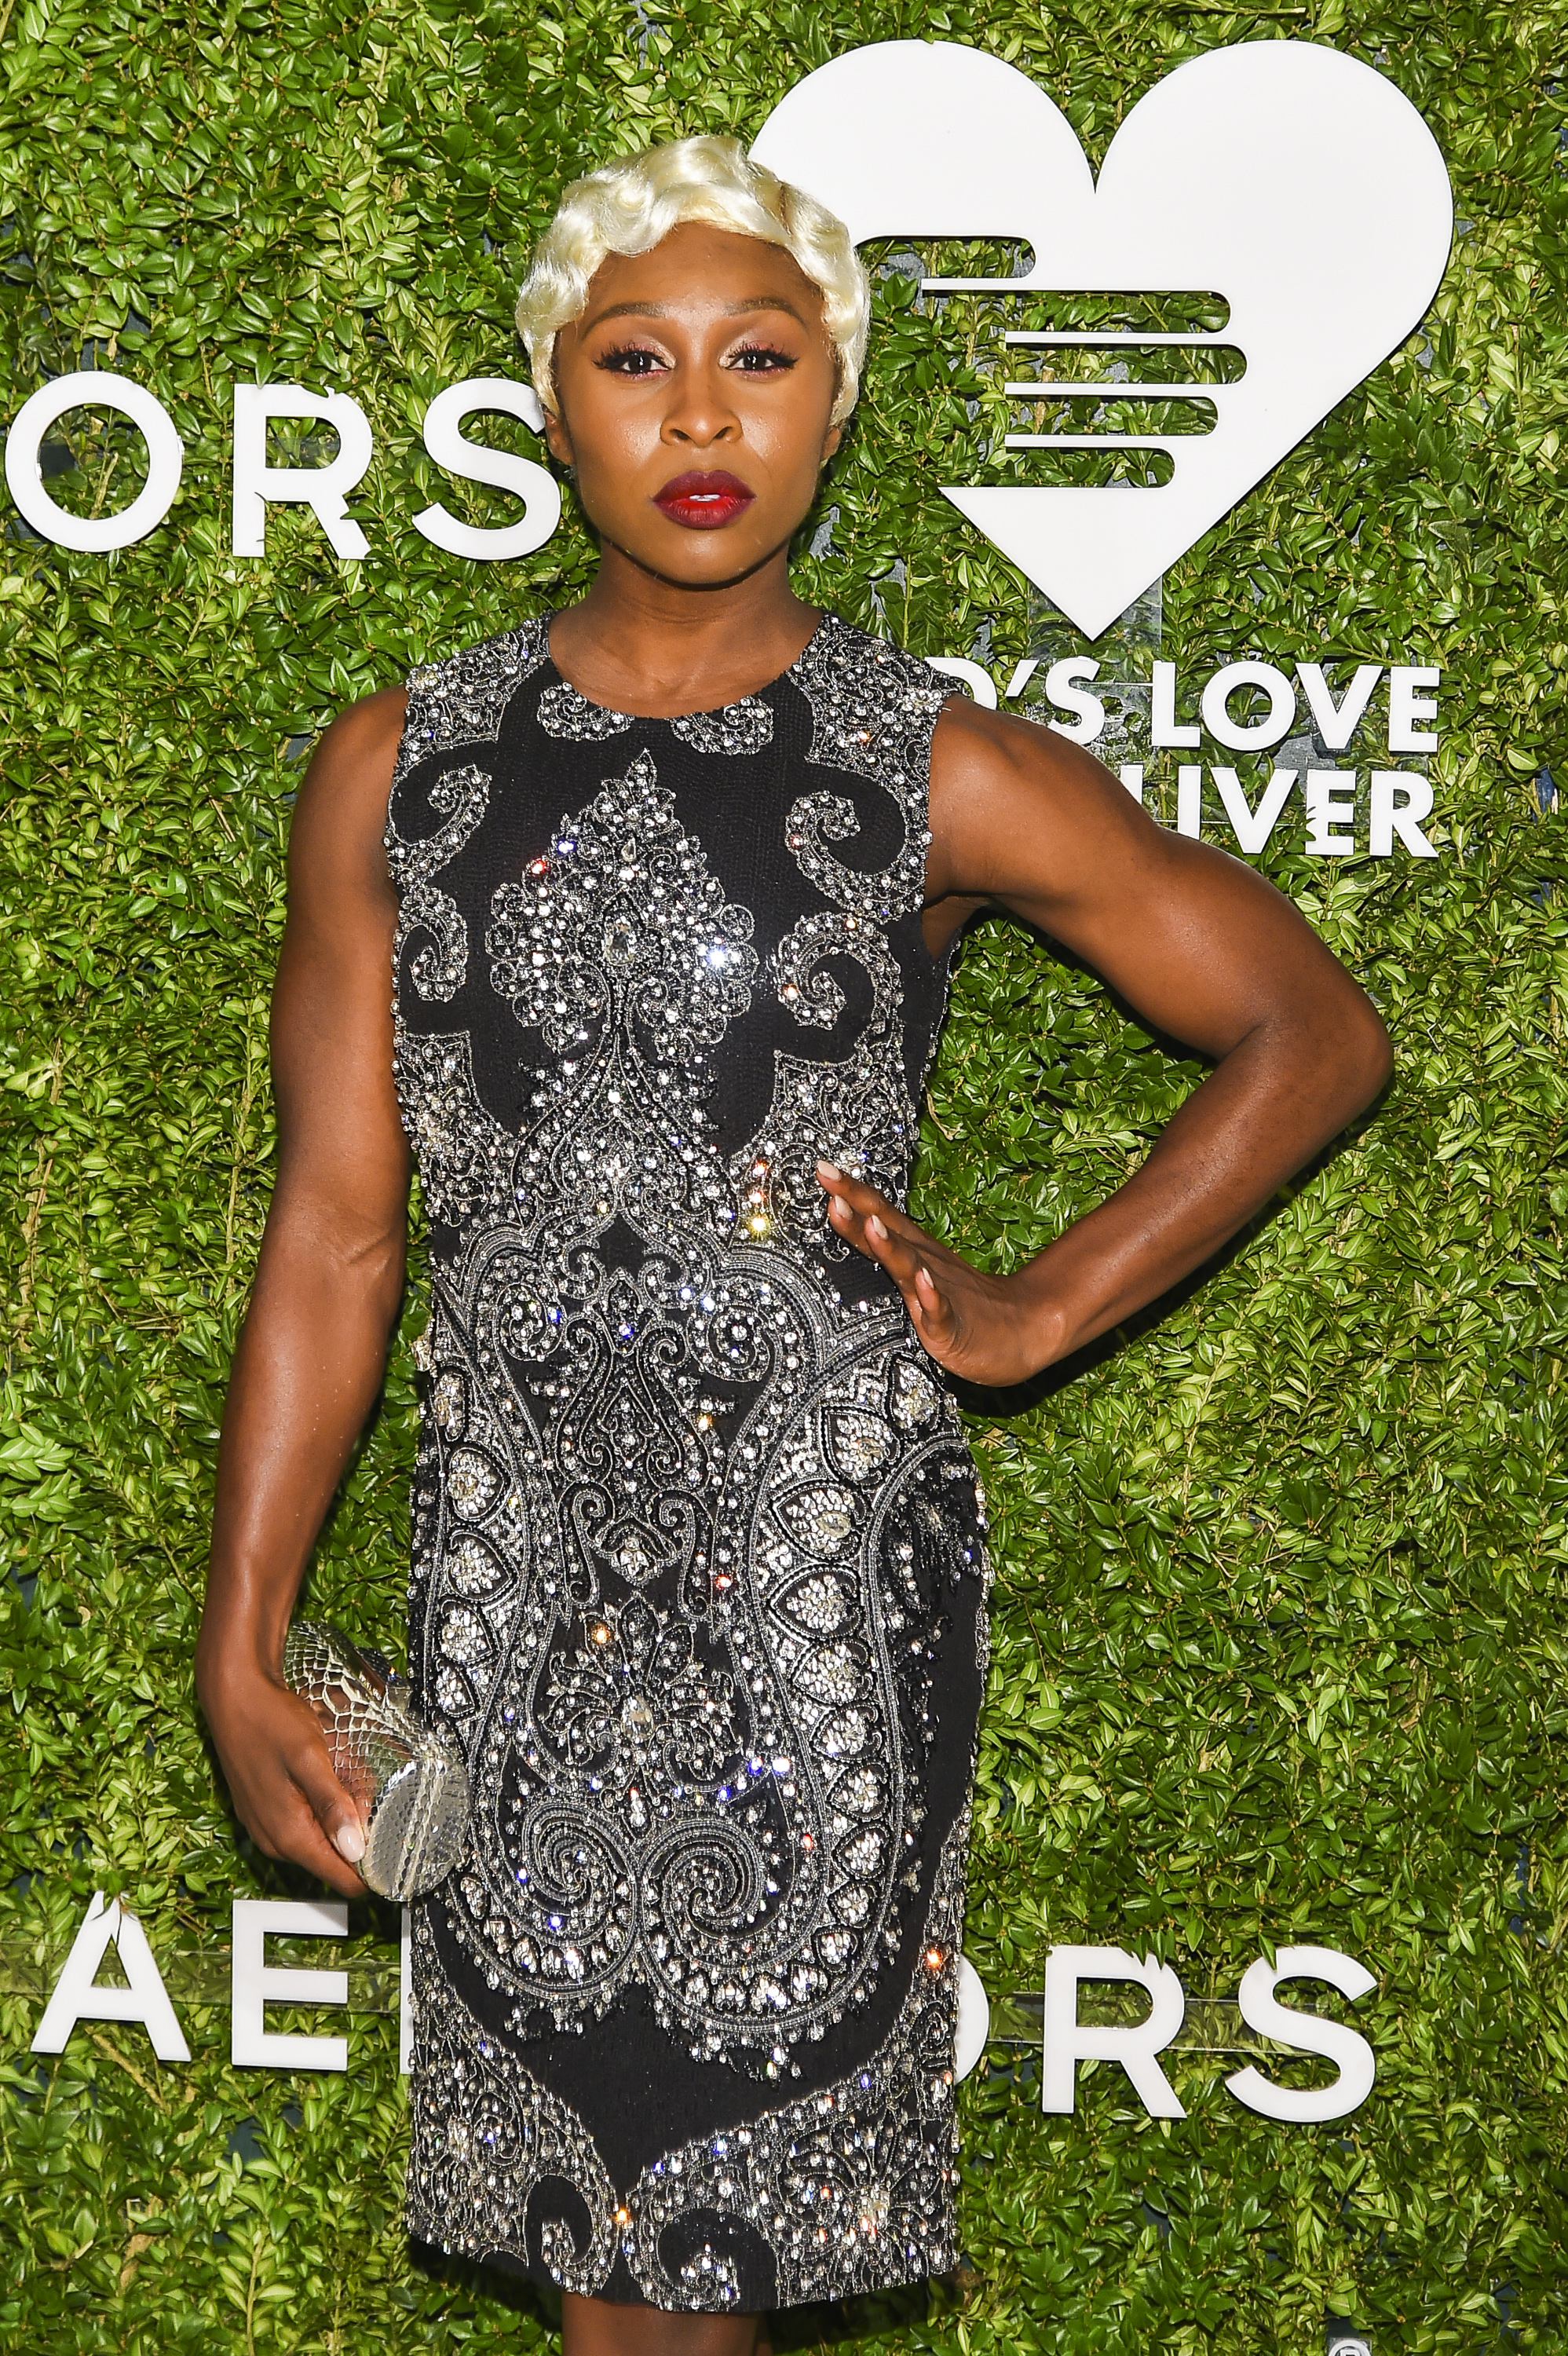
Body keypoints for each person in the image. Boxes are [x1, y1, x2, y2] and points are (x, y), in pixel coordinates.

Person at [196, 134, 1391, 2356]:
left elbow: (1307, 1030)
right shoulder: (403, 767)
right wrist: (242, 1626)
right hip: (513, 1578)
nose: (701, 415)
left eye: (763, 357)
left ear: (835, 403)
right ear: (552, 404)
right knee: (604, 2266)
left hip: (818, 1589)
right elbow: (341, 1233)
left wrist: (1037, 1306)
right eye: (635, 359)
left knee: (716, 2250)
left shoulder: (925, 760)